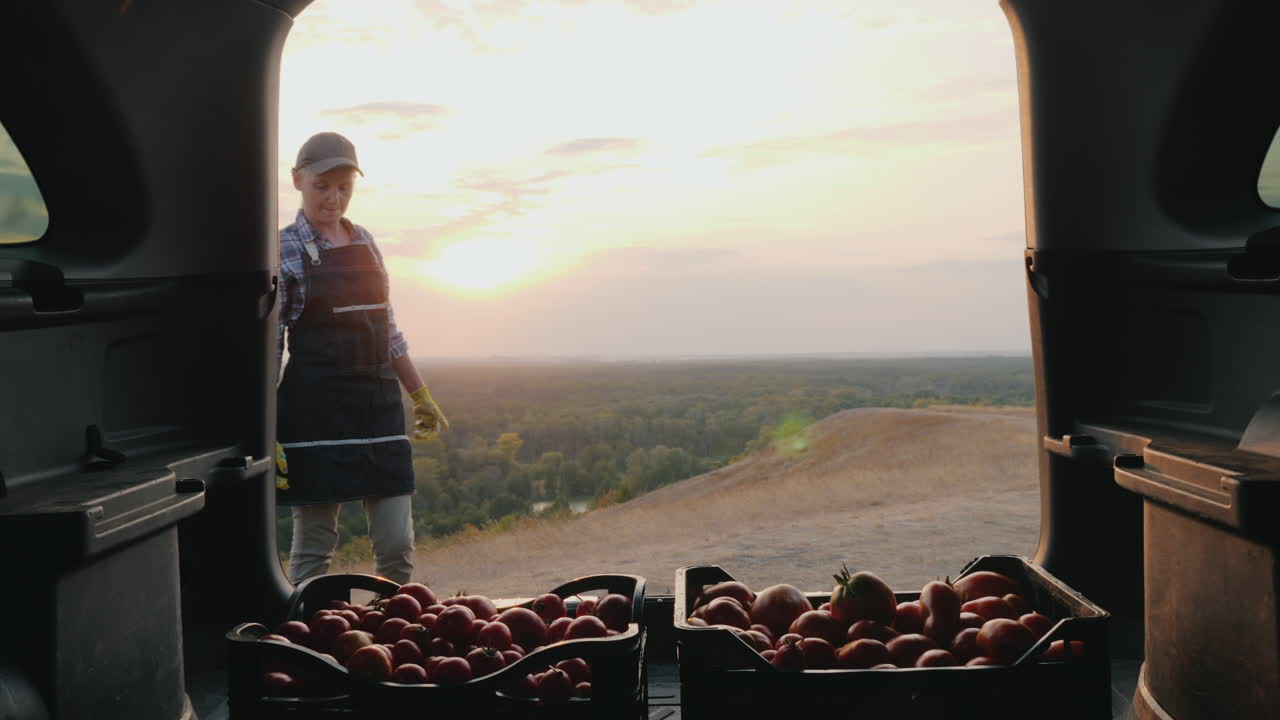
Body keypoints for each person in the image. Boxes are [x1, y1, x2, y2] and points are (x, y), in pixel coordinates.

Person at [274, 131, 447, 585]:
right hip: (314, 408)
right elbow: (271, 346)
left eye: (344, 188)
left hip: (377, 404)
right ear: (297, 180)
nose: (333, 199)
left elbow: (387, 330)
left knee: (396, 545)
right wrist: (264, 425)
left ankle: (393, 635)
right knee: (314, 546)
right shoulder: (283, 248)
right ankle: (309, 638)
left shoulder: (366, 241)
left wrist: (420, 393)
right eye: (322, 186)